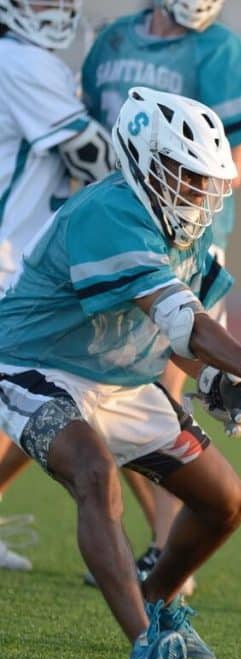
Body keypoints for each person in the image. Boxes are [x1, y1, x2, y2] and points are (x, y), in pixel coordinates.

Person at [0, 87, 241, 659]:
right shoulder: (108, 211)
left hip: (122, 381)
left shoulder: (187, 232)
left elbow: (187, 343)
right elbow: (181, 319)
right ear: (146, 160)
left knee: (227, 502)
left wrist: (224, 385)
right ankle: (145, 640)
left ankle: (155, 598)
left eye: (207, 179)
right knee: (95, 475)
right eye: (187, 173)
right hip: (33, 364)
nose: (201, 192)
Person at [76, 0, 241, 588]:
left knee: (159, 388)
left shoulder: (220, 49)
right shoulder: (116, 39)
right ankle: (162, 546)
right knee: (101, 389)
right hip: (113, 232)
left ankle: (167, 551)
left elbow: (229, 170)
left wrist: (239, 374)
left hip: (181, 237)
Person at [0, 0, 116, 570]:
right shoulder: (20, 59)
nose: (61, 7)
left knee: (50, 390)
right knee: (59, 388)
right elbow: (90, 154)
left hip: (22, 256)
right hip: (7, 254)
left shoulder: (33, 61)